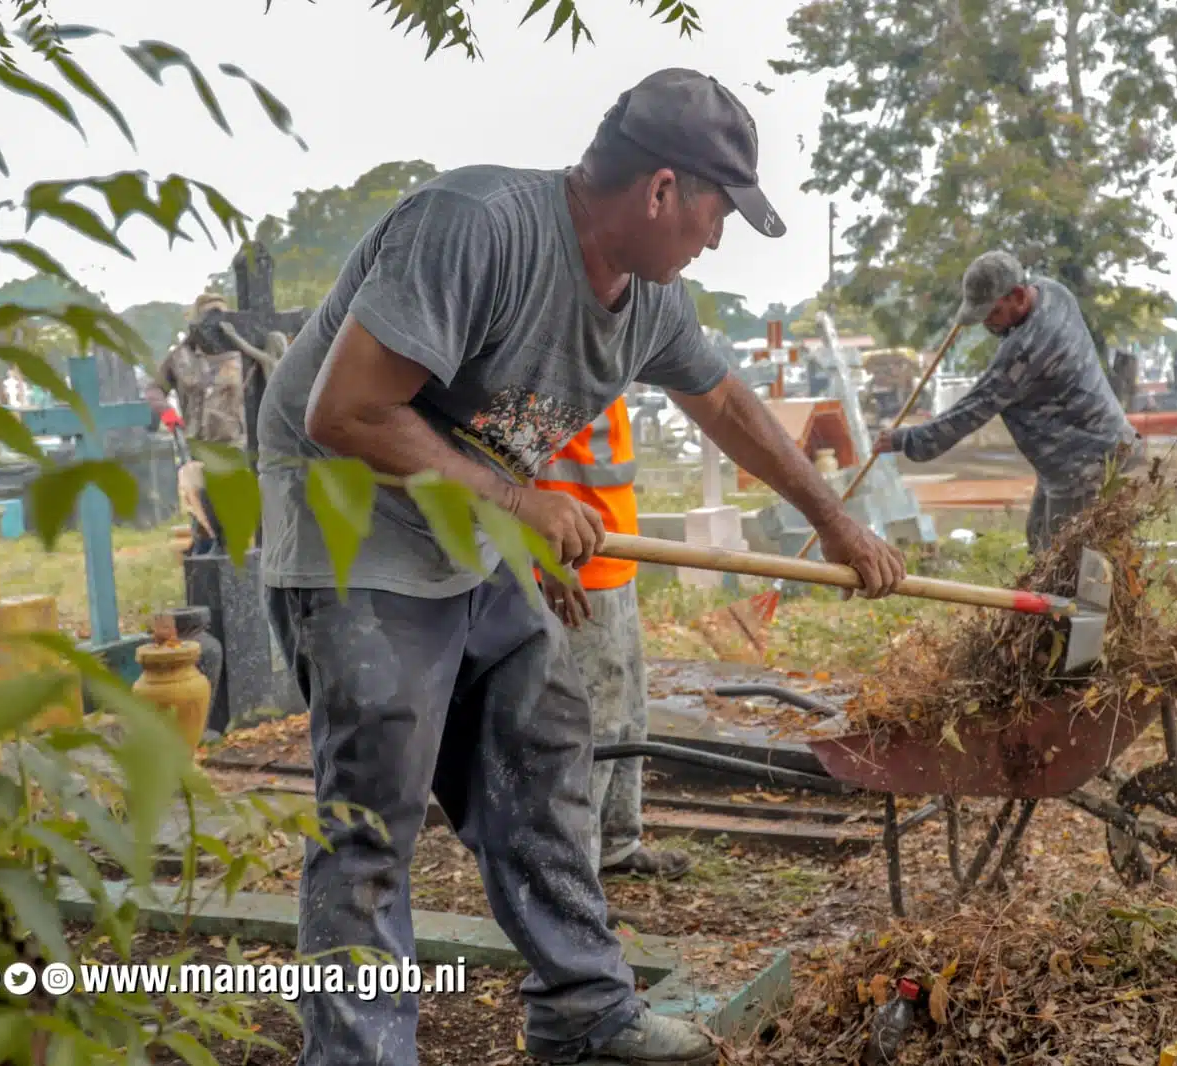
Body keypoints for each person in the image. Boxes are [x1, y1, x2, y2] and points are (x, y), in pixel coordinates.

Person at [254, 67, 906, 1066]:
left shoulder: (650, 299)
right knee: (372, 811)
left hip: (464, 516)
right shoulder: (476, 228)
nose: (715, 239)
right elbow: (344, 412)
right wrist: (519, 505)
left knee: (545, 742)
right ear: (661, 190)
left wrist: (834, 522)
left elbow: (726, 404)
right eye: (717, 212)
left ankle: (584, 1014)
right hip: (353, 519)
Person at [873, 250, 1143, 554]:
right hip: (1089, 447)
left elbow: (971, 411)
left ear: (1018, 295)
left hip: (1086, 460)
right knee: (1039, 535)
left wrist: (905, 439)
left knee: (1063, 559)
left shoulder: (1025, 350)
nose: (988, 324)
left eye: (993, 313)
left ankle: (1090, 585)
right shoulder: (1053, 291)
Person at [534, 397, 690, 887]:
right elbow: (507, 458)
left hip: (614, 552)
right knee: (591, 728)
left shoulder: (612, 359)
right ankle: (572, 877)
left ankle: (618, 843)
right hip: (574, 563)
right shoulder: (546, 365)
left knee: (629, 715)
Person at [155, 293, 246, 557]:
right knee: (202, 508)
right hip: (199, 448)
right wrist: (166, 411)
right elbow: (155, 388)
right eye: (209, 316)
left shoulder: (242, 351)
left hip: (239, 447)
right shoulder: (180, 357)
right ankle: (208, 551)